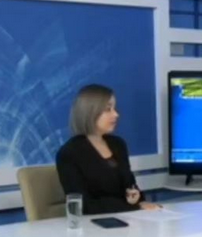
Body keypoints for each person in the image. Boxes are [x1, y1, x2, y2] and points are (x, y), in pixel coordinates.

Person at [56, 84, 160, 214]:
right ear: (90, 112)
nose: (116, 114)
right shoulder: (69, 153)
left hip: (127, 217)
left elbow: (130, 186)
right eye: (108, 109)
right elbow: (84, 205)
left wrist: (138, 199)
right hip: (94, 223)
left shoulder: (118, 144)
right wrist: (132, 207)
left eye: (114, 108)